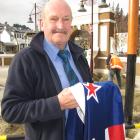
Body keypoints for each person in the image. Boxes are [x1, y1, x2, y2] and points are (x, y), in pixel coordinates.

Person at [1, 0, 93, 140]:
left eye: (66, 19)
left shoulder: (80, 57)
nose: (61, 26)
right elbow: (10, 111)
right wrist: (57, 104)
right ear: (42, 24)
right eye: (54, 19)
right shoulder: (25, 60)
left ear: (71, 23)